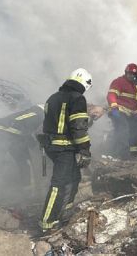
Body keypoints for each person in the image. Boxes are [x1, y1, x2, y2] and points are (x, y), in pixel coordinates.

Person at [39, 68, 92, 232]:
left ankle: (65, 212)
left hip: (52, 146)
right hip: (64, 148)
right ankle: (47, 222)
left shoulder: (53, 97)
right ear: (85, 84)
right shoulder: (77, 98)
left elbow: (57, 122)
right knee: (59, 184)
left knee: (74, 177)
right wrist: (85, 150)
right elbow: (78, 127)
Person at [107, 63, 137, 157]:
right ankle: (123, 154)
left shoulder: (133, 86)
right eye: (130, 74)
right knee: (123, 130)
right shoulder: (118, 82)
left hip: (129, 114)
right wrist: (114, 107)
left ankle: (116, 152)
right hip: (119, 112)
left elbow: (133, 102)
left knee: (130, 132)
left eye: (134, 74)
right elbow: (111, 95)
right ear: (126, 72)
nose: (132, 76)